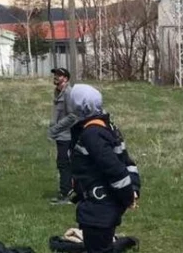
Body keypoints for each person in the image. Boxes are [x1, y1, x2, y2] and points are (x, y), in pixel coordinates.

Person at [66, 84, 140, 253]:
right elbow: (128, 163)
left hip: (99, 211)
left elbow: (116, 170)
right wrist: (134, 188)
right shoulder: (107, 127)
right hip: (105, 209)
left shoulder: (92, 134)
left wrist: (128, 196)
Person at [47, 67, 77, 205]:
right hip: (61, 135)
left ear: (65, 78)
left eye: (58, 75)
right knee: (62, 163)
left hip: (66, 135)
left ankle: (66, 194)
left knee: (64, 164)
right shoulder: (58, 92)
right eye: (55, 74)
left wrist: (55, 129)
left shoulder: (68, 93)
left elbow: (72, 116)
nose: (56, 77)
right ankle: (66, 191)